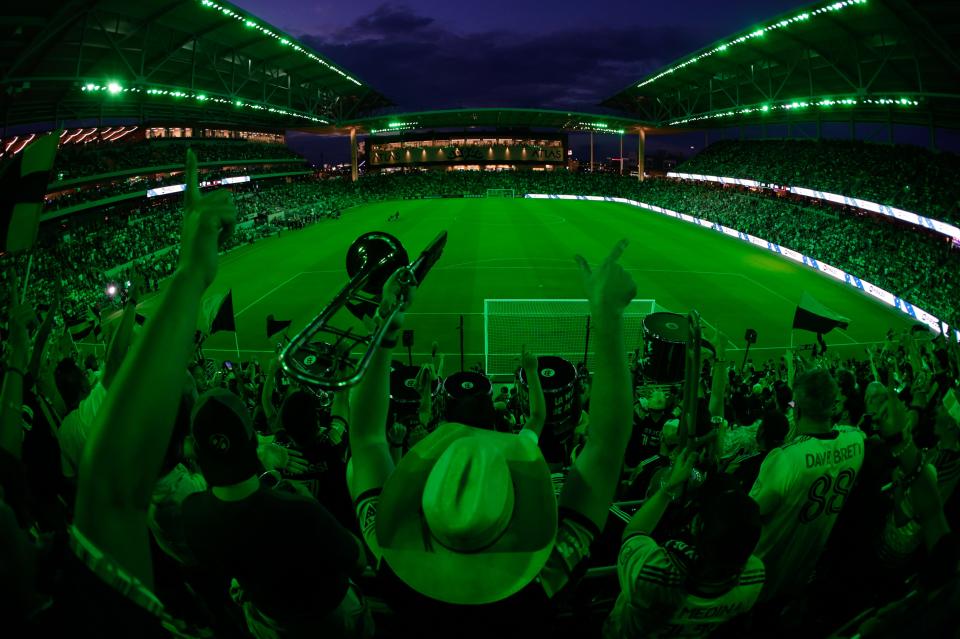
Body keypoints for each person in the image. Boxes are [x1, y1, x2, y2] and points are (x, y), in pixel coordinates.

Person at [348, 239, 637, 636]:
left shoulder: (390, 555)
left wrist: (384, 326)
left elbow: (365, 439)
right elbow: (606, 446)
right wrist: (607, 318)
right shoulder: (545, 578)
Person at [179, 388, 371, 638]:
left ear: (194, 450)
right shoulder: (300, 509)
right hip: (328, 618)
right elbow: (358, 561)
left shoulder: (192, 513)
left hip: (269, 620)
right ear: (255, 442)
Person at [605, 449, 765, 638]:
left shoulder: (653, 571)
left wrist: (669, 487)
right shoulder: (754, 576)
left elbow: (634, 532)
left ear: (698, 524)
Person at [748, 369, 866, 602]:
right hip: (806, 573)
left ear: (798, 410)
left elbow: (750, 515)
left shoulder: (785, 459)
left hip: (762, 576)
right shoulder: (856, 442)